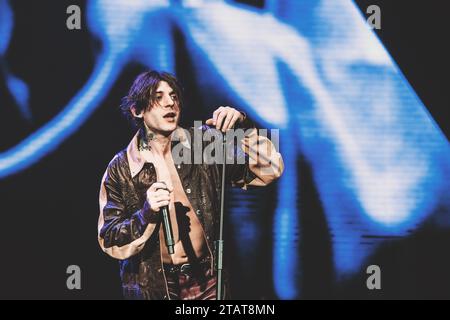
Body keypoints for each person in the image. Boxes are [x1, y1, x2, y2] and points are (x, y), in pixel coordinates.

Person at [98, 70, 284, 300]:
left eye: (174, 96)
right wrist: (146, 214)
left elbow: (270, 169)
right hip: (153, 288)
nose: (170, 103)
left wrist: (243, 126)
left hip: (206, 282)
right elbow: (109, 239)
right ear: (137, 110)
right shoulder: (121, 168)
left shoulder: (202, 146)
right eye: (158, 97)